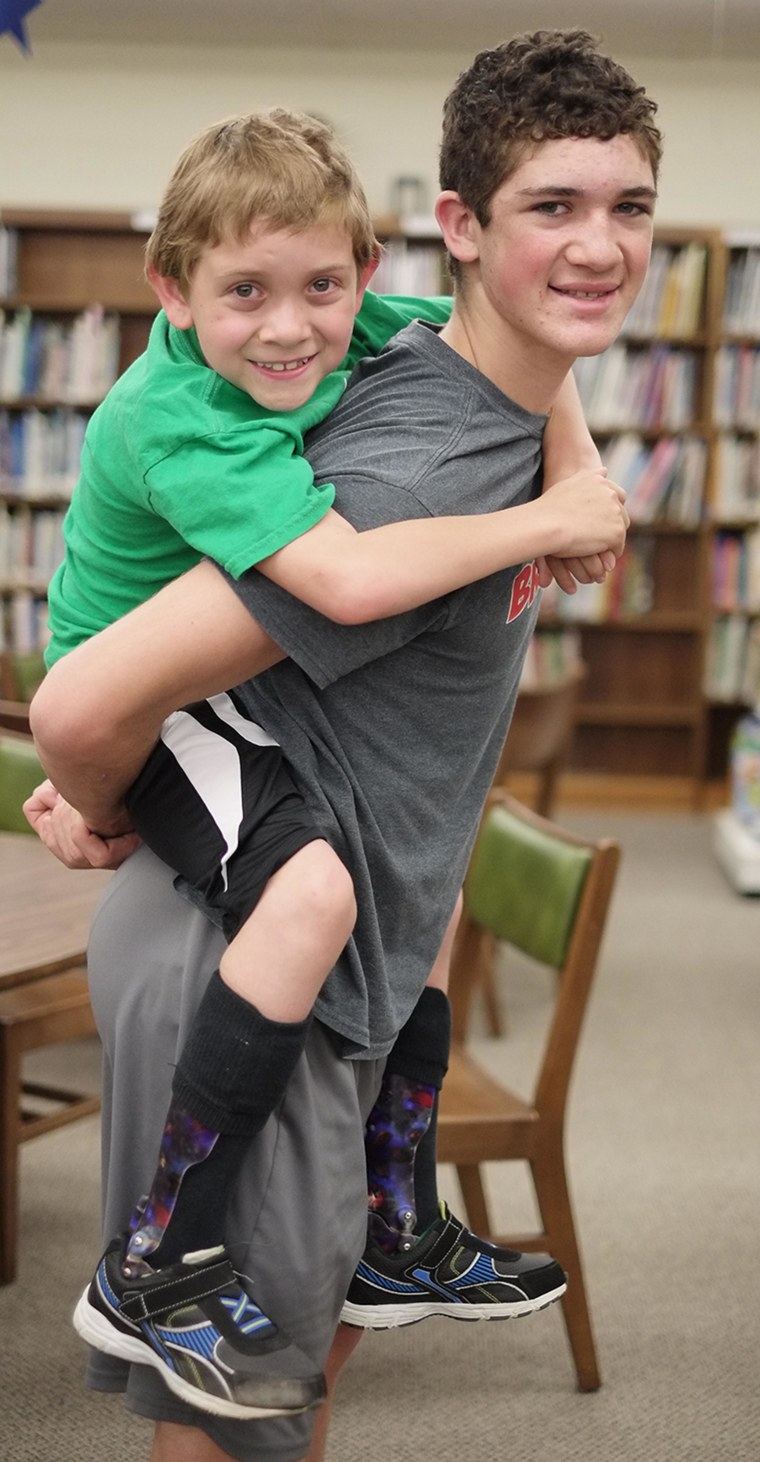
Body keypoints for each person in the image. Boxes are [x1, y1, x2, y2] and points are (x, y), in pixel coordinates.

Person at [28, 27, 659, 1462]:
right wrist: (92, 787)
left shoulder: (440, 354)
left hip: (350, 941)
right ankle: (156, 1254)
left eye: (627, 206)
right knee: (232, 1412)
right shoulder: (388, 478)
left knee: (297, 1372)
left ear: (376, 272)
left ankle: (398, 1220)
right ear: (464, 227)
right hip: (252, 950)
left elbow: (529, 368)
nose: (601, 246)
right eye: (552, 208)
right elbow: (83, 699)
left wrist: (576, 463)